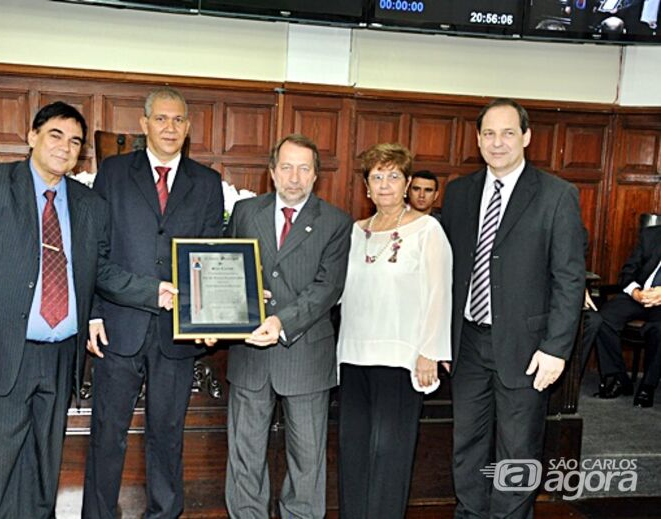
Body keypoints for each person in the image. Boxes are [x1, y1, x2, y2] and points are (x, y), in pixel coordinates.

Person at [0, 101, 174, 519]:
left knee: (42, 474)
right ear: (32, 136)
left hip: (60, 356)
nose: (66, 147)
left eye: (76, 141)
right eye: (56, 135)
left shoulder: (89, 204)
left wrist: (154, 291)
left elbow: (100, 270)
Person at [440, 98, 586, 518]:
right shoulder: (459, 193)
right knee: (466, 444)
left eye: (507, 133)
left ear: (526, 137)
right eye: (489, 133)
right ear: (478, 140)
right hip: (467, 342)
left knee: (517, 452)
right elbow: (447, 273)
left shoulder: (557, 195)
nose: (497, 142)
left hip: (528, 349)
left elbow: (569, 278)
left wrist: (557, 348)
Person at [82, 87, 224, 519]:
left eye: (178, 120)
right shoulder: (113, 172)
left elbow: (212, 257)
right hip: (119, 325)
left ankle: (164, 513)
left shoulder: (208, 182)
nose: (170, 127)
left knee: (168, 433)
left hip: (177, 332)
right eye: (160, 119)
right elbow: (96, 251)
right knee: (108, 432)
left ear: (188, 127)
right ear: (143, 125)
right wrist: (93, 314)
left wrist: (214, 314)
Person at [224, 134, 351, 519]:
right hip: (250, 355)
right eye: (286, 167)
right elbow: (229, 267)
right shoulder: (246, 212)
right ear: (272, 172)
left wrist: (281, 321)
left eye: (304, 168)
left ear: (316, 175)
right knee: (244, 456)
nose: (294, 177)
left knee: (307, 461)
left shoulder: (335, 222)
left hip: (306, 356)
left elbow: (328, 288)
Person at [337, 143, 452, 518]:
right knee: (353, 450)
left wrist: (430, 352)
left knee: (390, 453)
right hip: (353, 357)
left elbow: (440, 294)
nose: (385, 184)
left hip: (402, 359)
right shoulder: (355, 232)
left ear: (406, 184)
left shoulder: (427, 230)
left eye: (393, 176)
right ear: (366, 188)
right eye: (376, 177)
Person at [594, 224, 661, 408]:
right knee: (601, 319)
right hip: (639, 296)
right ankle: (618, 378)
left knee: (658, 329)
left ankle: (648, 386)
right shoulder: (650, 235)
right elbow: (628, 272)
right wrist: (636, 293)